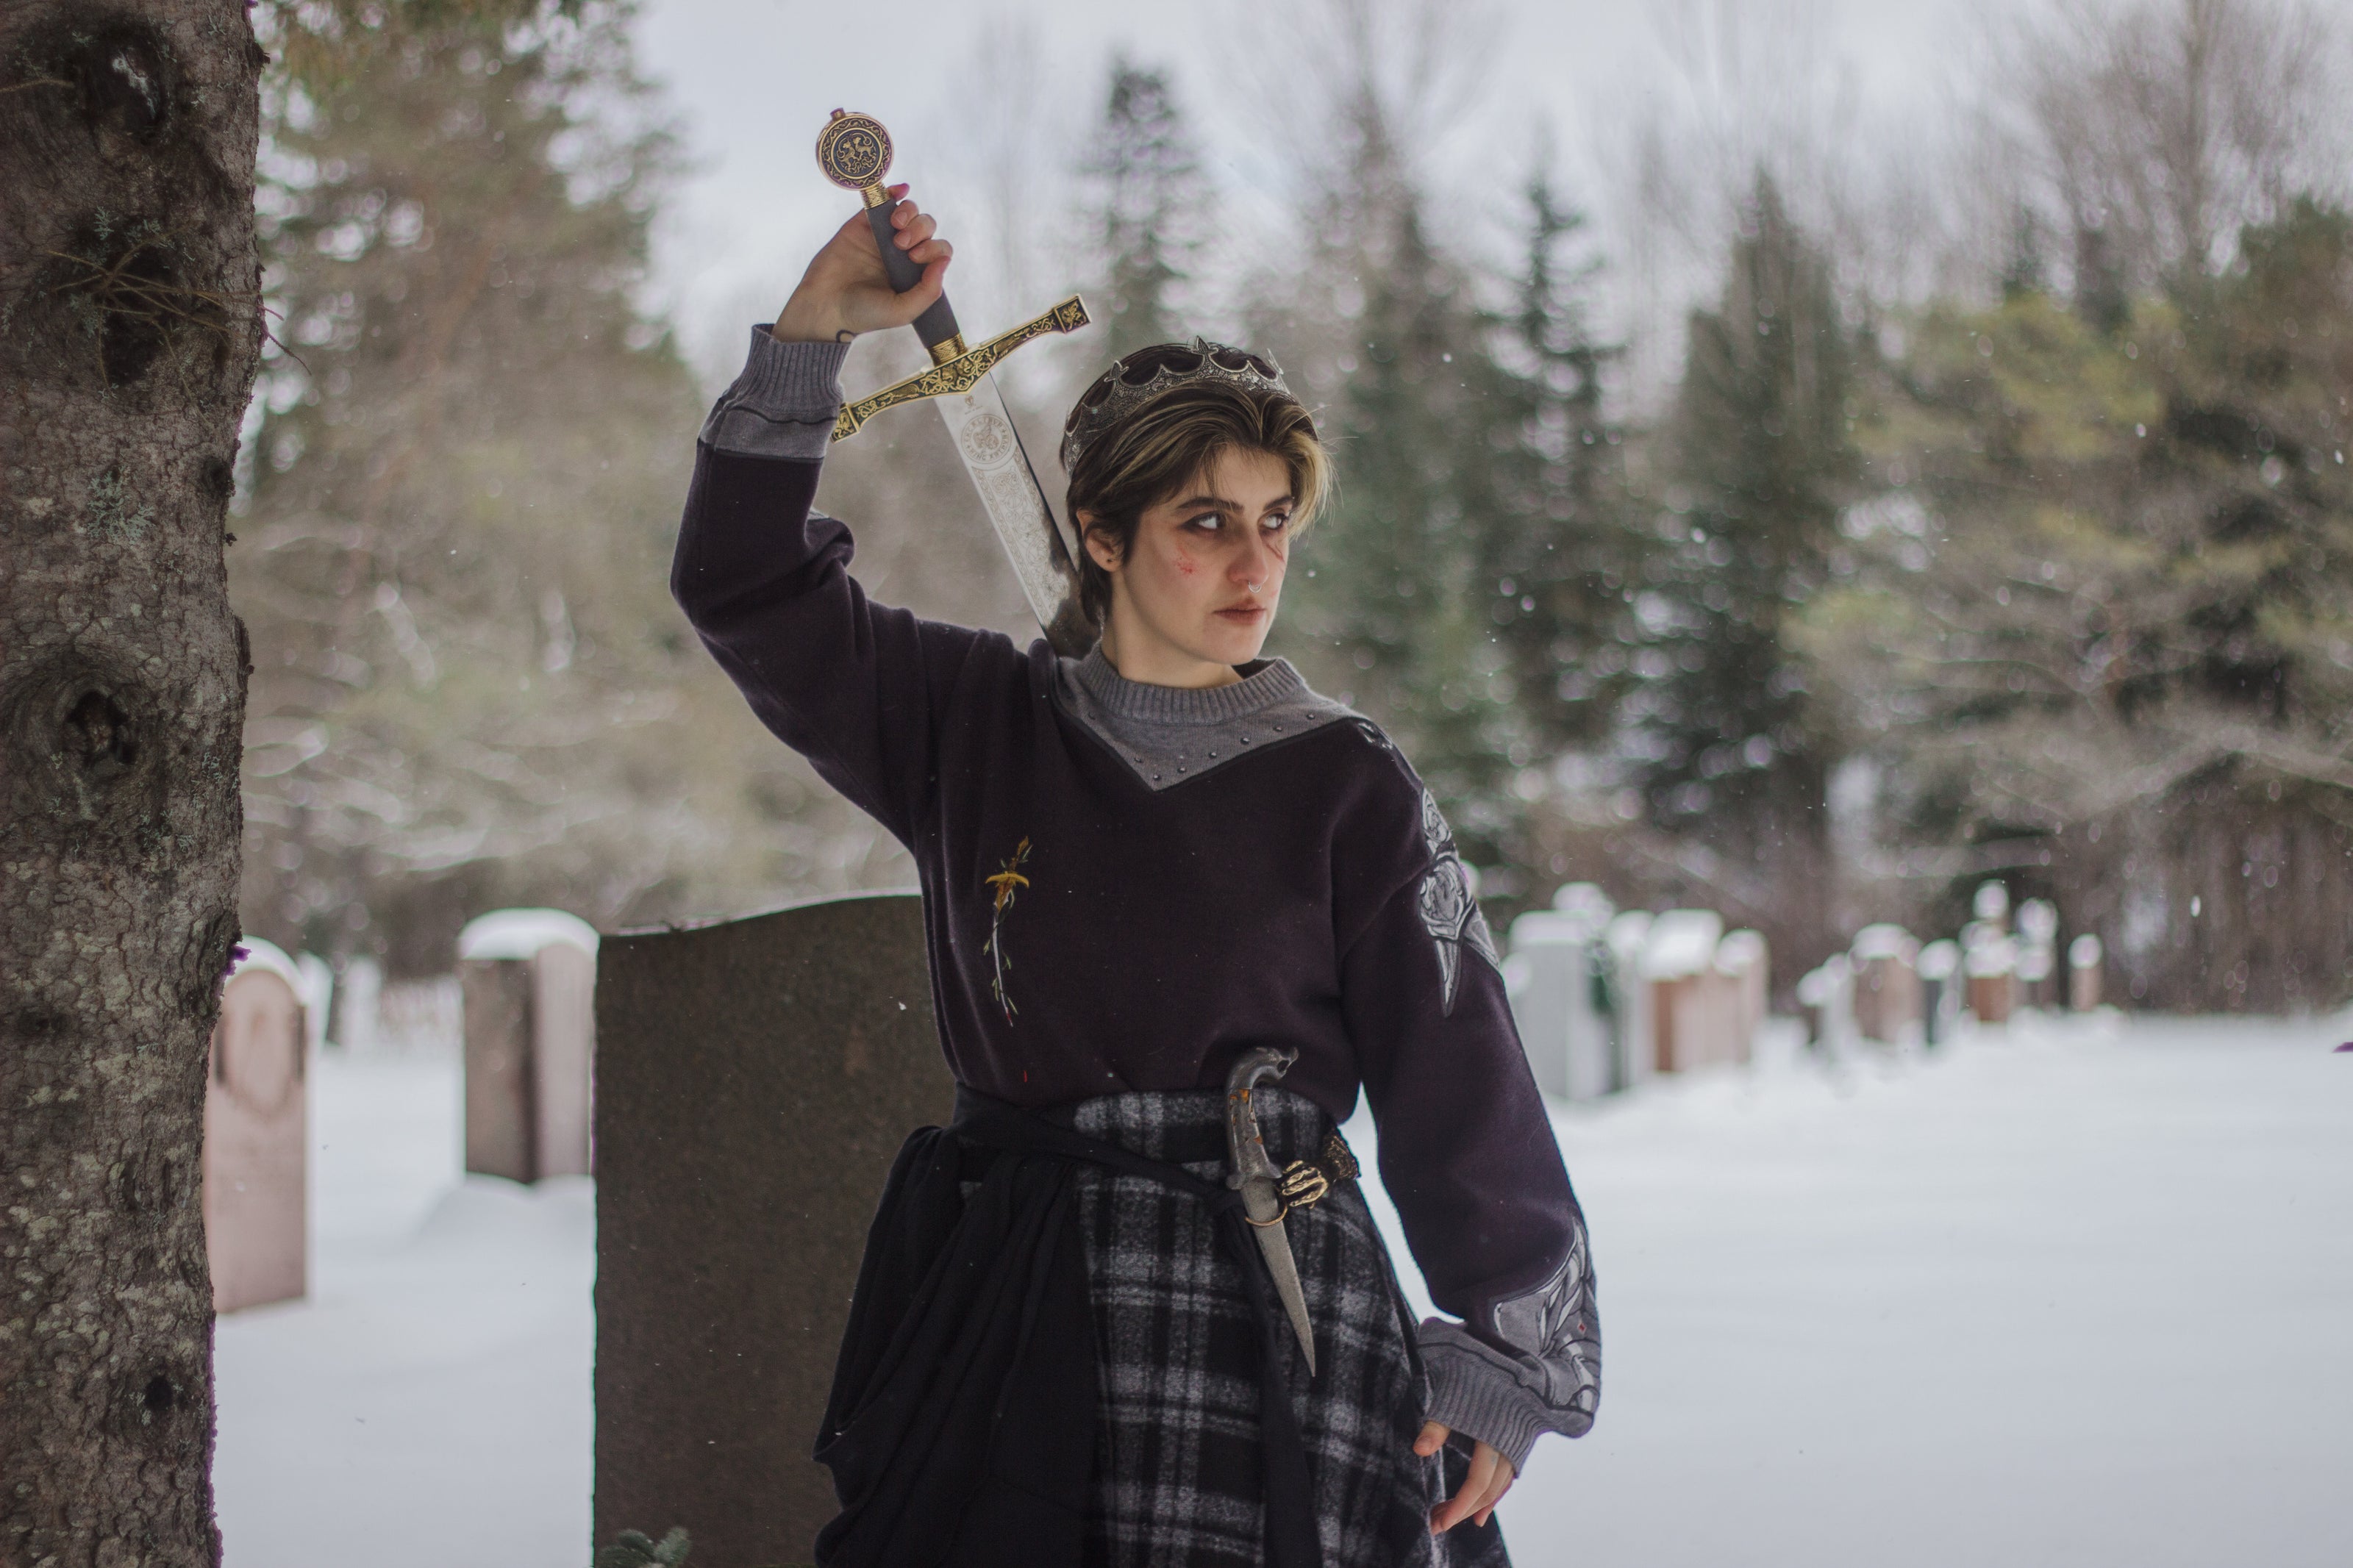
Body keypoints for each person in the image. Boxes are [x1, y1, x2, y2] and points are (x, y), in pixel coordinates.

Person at [671, 185, 1599, 1568]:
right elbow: (742, 581)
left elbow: (1462, 1079)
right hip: (1015, 1307)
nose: (1255, 562)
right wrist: (816, 327)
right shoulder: (971, 724)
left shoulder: (1346, 780)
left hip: (1279, 1314)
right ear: (1099, 535)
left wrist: (1500, 1362)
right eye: (1206, 522)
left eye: (1276, 521)